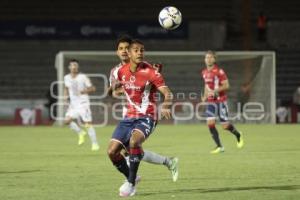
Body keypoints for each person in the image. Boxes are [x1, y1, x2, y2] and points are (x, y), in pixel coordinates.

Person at [108, 39, 173, 197]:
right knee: (112, 152)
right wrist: (114, 89)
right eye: (136, 50)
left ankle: (130, 183)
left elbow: (167, 92)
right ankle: (137, 176)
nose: (140, 53)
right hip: (128, 116)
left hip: (147, 116)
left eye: (142, 50)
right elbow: (111, 91)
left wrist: (165, 105)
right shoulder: (119, 72)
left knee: (134, 143)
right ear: (129, 54)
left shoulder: (151, 71)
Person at [201, 50, 244, 154]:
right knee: (210, 124)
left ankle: (238, 135)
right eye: (207, 57)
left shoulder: (219, 71)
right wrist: (205, 96)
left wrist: (215, 91)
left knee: (225, 126)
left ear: (214, 59)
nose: (209, 59)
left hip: (221, 101)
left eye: (211, 57)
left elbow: (226, 85)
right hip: (211, 102)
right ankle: (220, 146)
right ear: (204, 59)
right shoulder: (204, 72)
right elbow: (207, 85)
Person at [64, 59, 100, 151]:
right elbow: (66, 88)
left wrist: (85, 91)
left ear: (77, 67)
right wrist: (65, 98)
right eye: (72, 65)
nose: (74, 67)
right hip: (73, 105)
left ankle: (95, 143)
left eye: (75, 65)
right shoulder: (66, 77)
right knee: (67, 121)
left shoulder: (83, 77)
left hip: (83, 104)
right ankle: (80, 133)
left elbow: (93, 88)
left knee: (87, 124)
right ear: (69, 67)